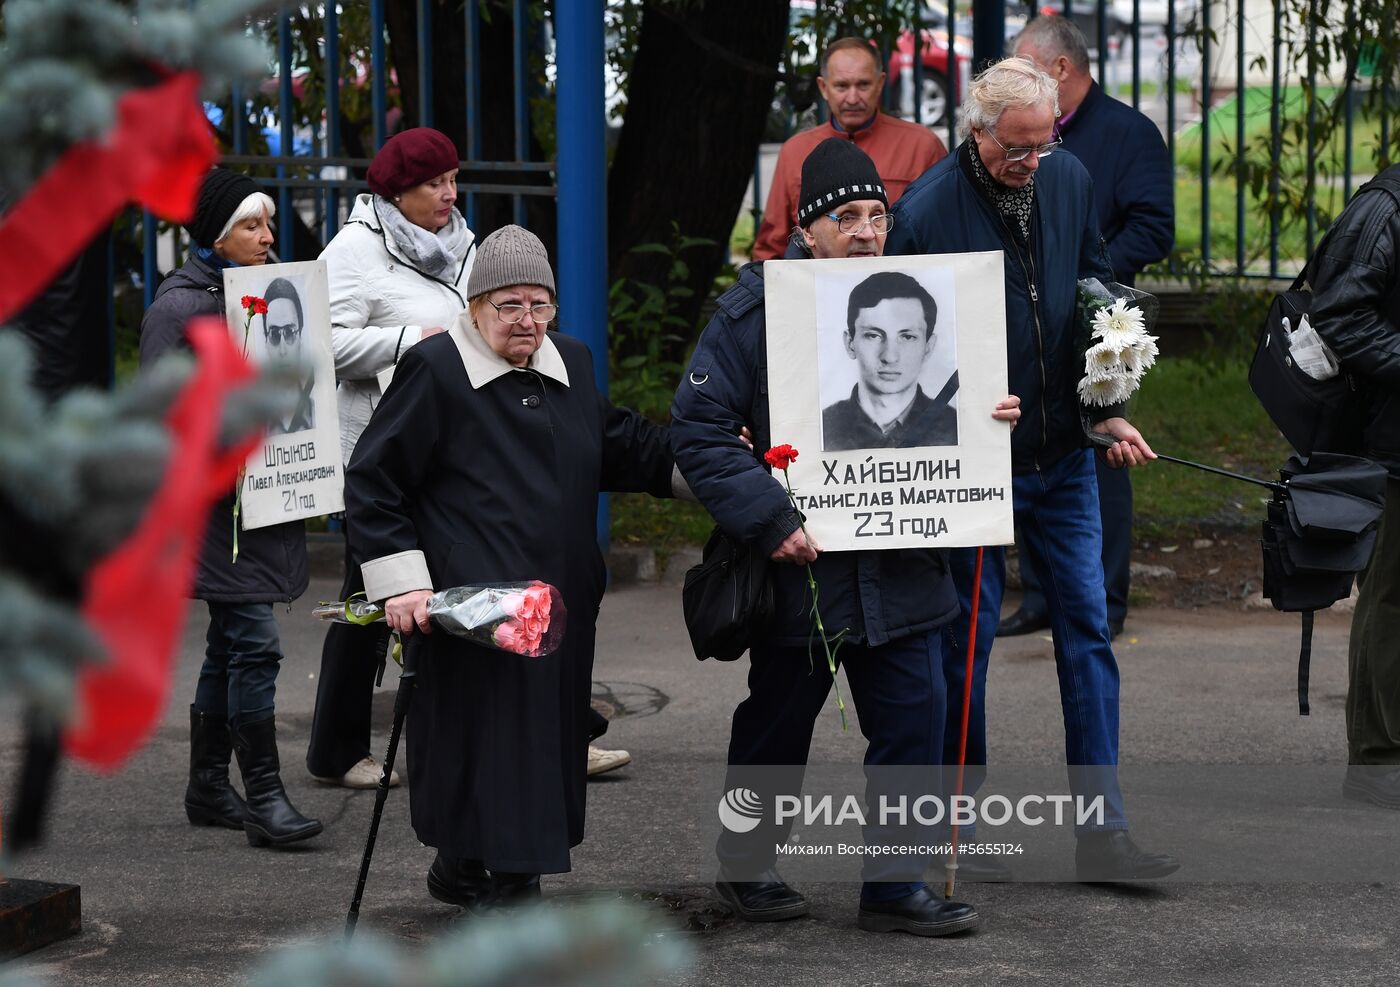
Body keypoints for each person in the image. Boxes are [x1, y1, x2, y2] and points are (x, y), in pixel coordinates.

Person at [673, 137, 1020, 936]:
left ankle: (895, 886)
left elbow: (983, 412)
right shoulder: (755, 310)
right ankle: (746, 864)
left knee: (915, 720)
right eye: (846, 217)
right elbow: (696, 430)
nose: (866, 231)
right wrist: (771, 520)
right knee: (776, 723)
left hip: (904, 565)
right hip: (802, 570)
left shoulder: (934, 296)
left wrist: (991, 420)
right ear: (808, 229)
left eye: (877, 215)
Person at [884, 57, 1177, 881]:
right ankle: (954, 833)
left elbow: (1092, 288)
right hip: (974, 465)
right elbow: (899, 353)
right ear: (977, 131)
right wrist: (962, 401)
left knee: (1088, 634)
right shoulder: (929, 210)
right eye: (1017, 149)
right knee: (961, 649)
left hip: (1063, 453)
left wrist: (1103, 397)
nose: (1032, 163)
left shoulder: (1069, 175)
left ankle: (1102, 832)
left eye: (1043, 146)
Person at [344, 225, 679, 912]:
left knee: (534, 745)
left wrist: (711, 463)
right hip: (475, 611)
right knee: (487, 742)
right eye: (510, 306)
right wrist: (402, 581)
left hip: (557, 607)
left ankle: (466, 866)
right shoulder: (437, 370)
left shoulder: (573, 362)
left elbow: (617, 442)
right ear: (475, 306)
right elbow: (375, 478)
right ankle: (513, 892)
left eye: (540, 305)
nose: (527, 322)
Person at [139, 167, 322, 848]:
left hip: (264, 494)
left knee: (227, 643)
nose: (268, 237)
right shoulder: (178, 310)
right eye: (251, 224)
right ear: (217, 233)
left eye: (268, 223)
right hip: (216, 506)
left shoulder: (268, 294)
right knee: (254, 642)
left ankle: (209, 785)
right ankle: (266, 794)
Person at [1000, 14, 1175, 640]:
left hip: (1097, 325)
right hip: (1031, 325)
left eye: (1022, 64)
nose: (1011, 75)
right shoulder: (1022, 134)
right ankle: (1043, 599)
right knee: (1041, 446)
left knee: (1102, 450)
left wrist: (1085, 282)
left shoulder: (1128, 132)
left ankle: (1101, 602)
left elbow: (1155, 226)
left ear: (1059, 69)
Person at [1305, 165, 1400, 806]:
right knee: (1393, 597)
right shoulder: (1386, 208)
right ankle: (1378, 762)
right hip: (1392, 439)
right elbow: (1338, 313)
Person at [751, 37, 947, 261]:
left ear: (880, 83)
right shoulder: (795, 151)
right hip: (818, 288)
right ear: (823, 87)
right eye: (842, 86)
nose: (853, 98)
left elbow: (943, 233)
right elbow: (771, 247)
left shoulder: (922, 146)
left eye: (863, 85)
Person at [821, 269, 957, 450]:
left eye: (907, 337)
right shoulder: (822, 428)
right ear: (850, 343)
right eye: (873, 335)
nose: (890, 357)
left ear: (928, 347)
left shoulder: (957, 428)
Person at [260, 277, 315, 434]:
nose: (283, 350)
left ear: (300, 337)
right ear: (266, 341)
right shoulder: (252, 423)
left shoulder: (319, 415)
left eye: (290, 332)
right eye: (274, 334)